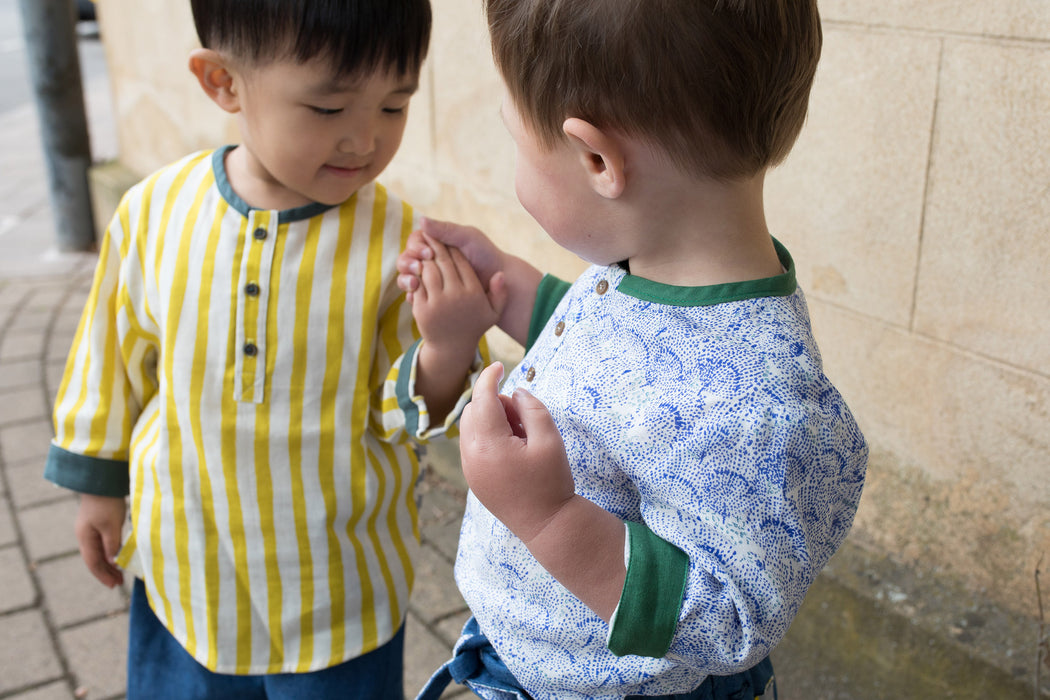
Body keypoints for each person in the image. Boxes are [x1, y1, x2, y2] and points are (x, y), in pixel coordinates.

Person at [398, 1, 869, 698]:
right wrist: (504, 288)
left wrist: (548, 516)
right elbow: (617, 350)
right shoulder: (656, 261)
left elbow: (727, 621)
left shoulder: (754, 407)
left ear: (596, 159)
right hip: (535, 647)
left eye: (517, 143)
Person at [43, 1, 502, 698]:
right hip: (186, 571)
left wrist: (445, 347)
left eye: (394, 106)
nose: (364, 141)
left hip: (336, 587)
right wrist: (97, 489)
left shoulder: (400, 244)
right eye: (327, 109)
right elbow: (111, 354)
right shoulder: (155, 212)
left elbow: (414, 412)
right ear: (222, 82)